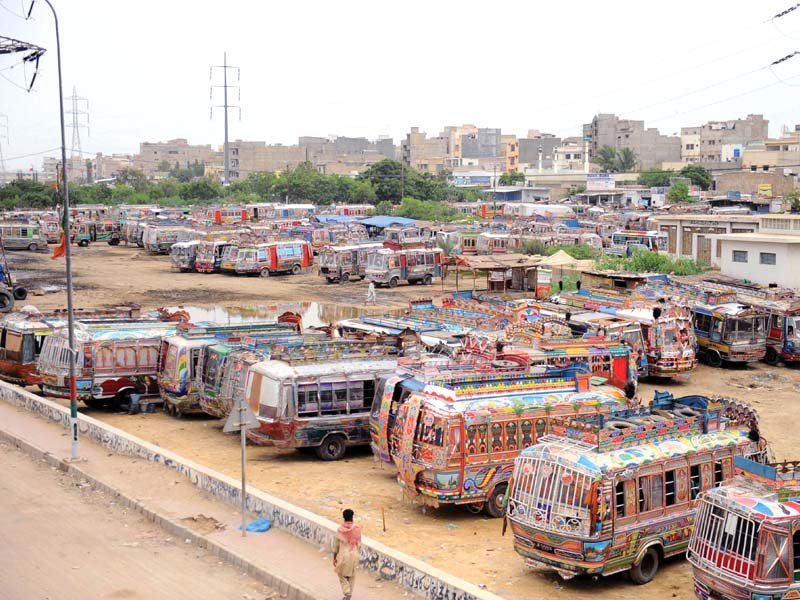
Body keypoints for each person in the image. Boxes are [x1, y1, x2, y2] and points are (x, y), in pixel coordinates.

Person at [332, 508, 361, 600]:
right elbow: (359, 543)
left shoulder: (341, 530)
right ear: (352, 517)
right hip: (355, 554)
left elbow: (336, 545)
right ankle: (349, 594)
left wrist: (334, 557)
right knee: (352, 575)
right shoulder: (357, 529)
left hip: (344, 556)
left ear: (344, 518)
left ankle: (347, 592)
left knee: (340, 573)